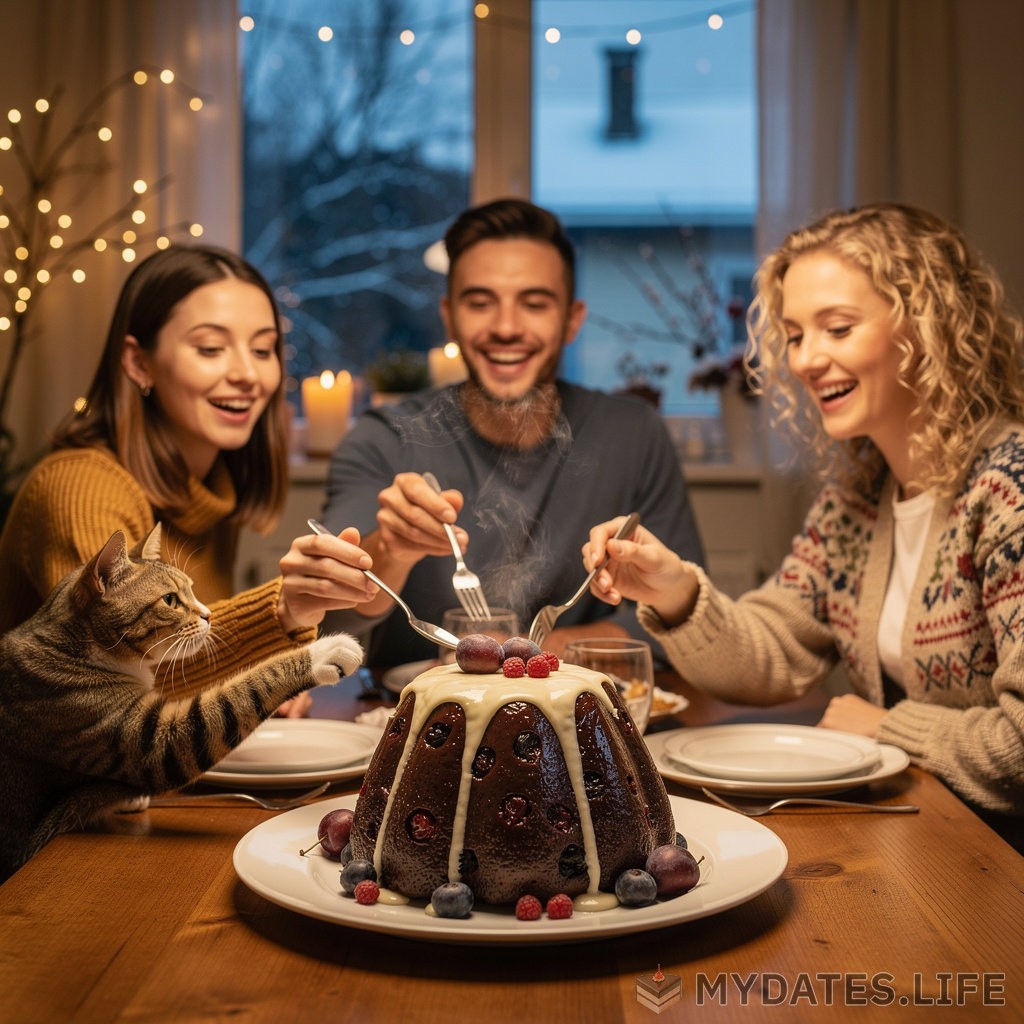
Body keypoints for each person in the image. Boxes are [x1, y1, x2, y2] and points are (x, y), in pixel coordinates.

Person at [584, 201, 1024, 829]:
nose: (805, 360)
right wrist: (675, 590)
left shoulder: (1010, 491)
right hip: (925, 828)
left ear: (927, 328)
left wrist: (889, 728)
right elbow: (771, 655)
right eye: (795, 335)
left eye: (838, 328)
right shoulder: (857, 501)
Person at [321, 198, 704, 669]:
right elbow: (325, 620)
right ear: (449, 316)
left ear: (572, 319)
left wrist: (528, 653)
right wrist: (391, 550)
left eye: (534, 303)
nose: (505, 327)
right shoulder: (383, 439)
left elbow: (684, 624)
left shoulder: (633, 436)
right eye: (480, 302)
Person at [0, 244, 375, 711]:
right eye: (210, 348)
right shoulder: (80, 487)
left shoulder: (209, 487)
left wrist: (263, 684)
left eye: (263, 349)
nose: (247, 374)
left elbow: (188, 665)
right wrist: (278, 619)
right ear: (139, 363)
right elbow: (119, 683)